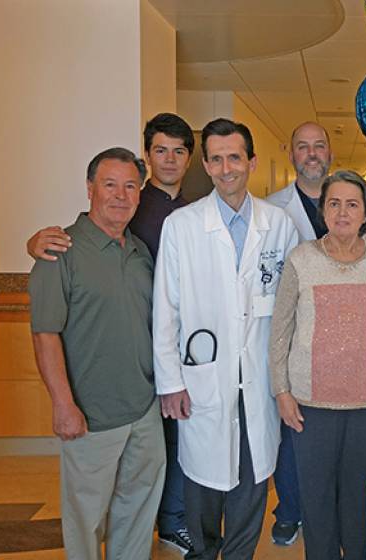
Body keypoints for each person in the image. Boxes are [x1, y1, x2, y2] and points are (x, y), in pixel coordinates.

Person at [25, 112, 196, 555]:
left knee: (138, 508)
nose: (120, 196)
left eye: (129, 187)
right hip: (91, 416)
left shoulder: (139, 252)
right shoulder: (59, 251)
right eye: (109, 185)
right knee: (85, 516)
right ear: (90, 189)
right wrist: (63, 405)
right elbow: (45, 335)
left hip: (143, 411)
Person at [153, 118, 298, 560]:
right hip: (203, 380)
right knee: (201, 484)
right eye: (215, 159)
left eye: (234, 157)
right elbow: (166, 309)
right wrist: (171, 382)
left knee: (252, 483)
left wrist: (286, 383)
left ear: (251, 162)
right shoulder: (182, 226)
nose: (225, 167)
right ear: (207, 165)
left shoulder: (279, 225)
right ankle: (202, 553)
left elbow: (290, 309)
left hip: (258, 378)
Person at [265, 121, 366, 546]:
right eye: (333, 204)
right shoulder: (301, 258)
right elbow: (279, 329)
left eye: (352, 205)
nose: (342, 213)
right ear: (323, 211)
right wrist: (281, 389)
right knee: (315, 500)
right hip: (309, 401)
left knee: (354, 498)